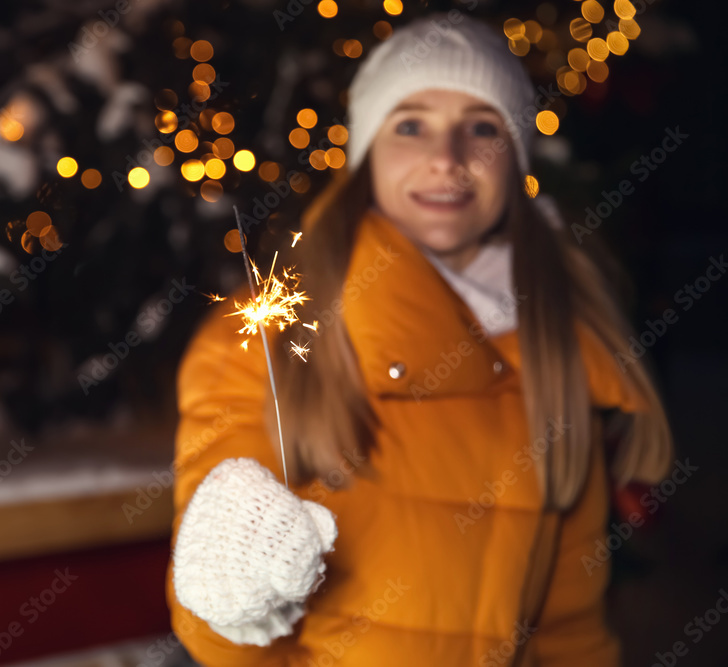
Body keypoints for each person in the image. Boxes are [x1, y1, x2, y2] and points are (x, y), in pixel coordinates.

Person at [165, 11, 673, 667]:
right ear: (367, 153)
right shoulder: (263, 345)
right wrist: (227, 592)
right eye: (411, 125)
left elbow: (570, 628)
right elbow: (216, 637)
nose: (446, 158)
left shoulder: (559, 344)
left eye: (482, 127)